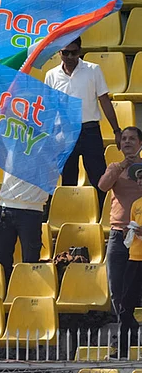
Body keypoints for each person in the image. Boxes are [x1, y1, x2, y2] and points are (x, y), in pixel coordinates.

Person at [45, 37, 121, 209]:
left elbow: (104, 100)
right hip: (65, 133)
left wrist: (116, 130)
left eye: (74, 52)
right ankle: (69, 216)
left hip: (90, 130)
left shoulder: (93, 70)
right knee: (68, 179)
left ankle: (104, 215)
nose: (70, 56)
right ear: (59, 52)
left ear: (80, 51)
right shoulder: (51, 75)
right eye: (66, 53)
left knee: (98, 177)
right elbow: (49, 108)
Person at [98, 126, 142, 319]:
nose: (127, 142)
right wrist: (122, 166)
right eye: (124, 138)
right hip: (117, 235)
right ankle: (125, 327)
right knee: (115, 285)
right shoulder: (115, 167)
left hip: (139, 235)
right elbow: (103, 185)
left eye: (132, 138)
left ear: (140, 144)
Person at [0, 172, 49, 282]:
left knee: (31, 260)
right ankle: (3, 293)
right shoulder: (10, 153)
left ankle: (28, 291)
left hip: (32, 209)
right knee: (1, 260)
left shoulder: (47, 154)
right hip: (6, 207)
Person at [118, 162, 142, 357]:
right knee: (126, 306)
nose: (140, 182)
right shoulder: (136, 204)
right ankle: (123, 350)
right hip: (134, 259)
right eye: (139, 179)